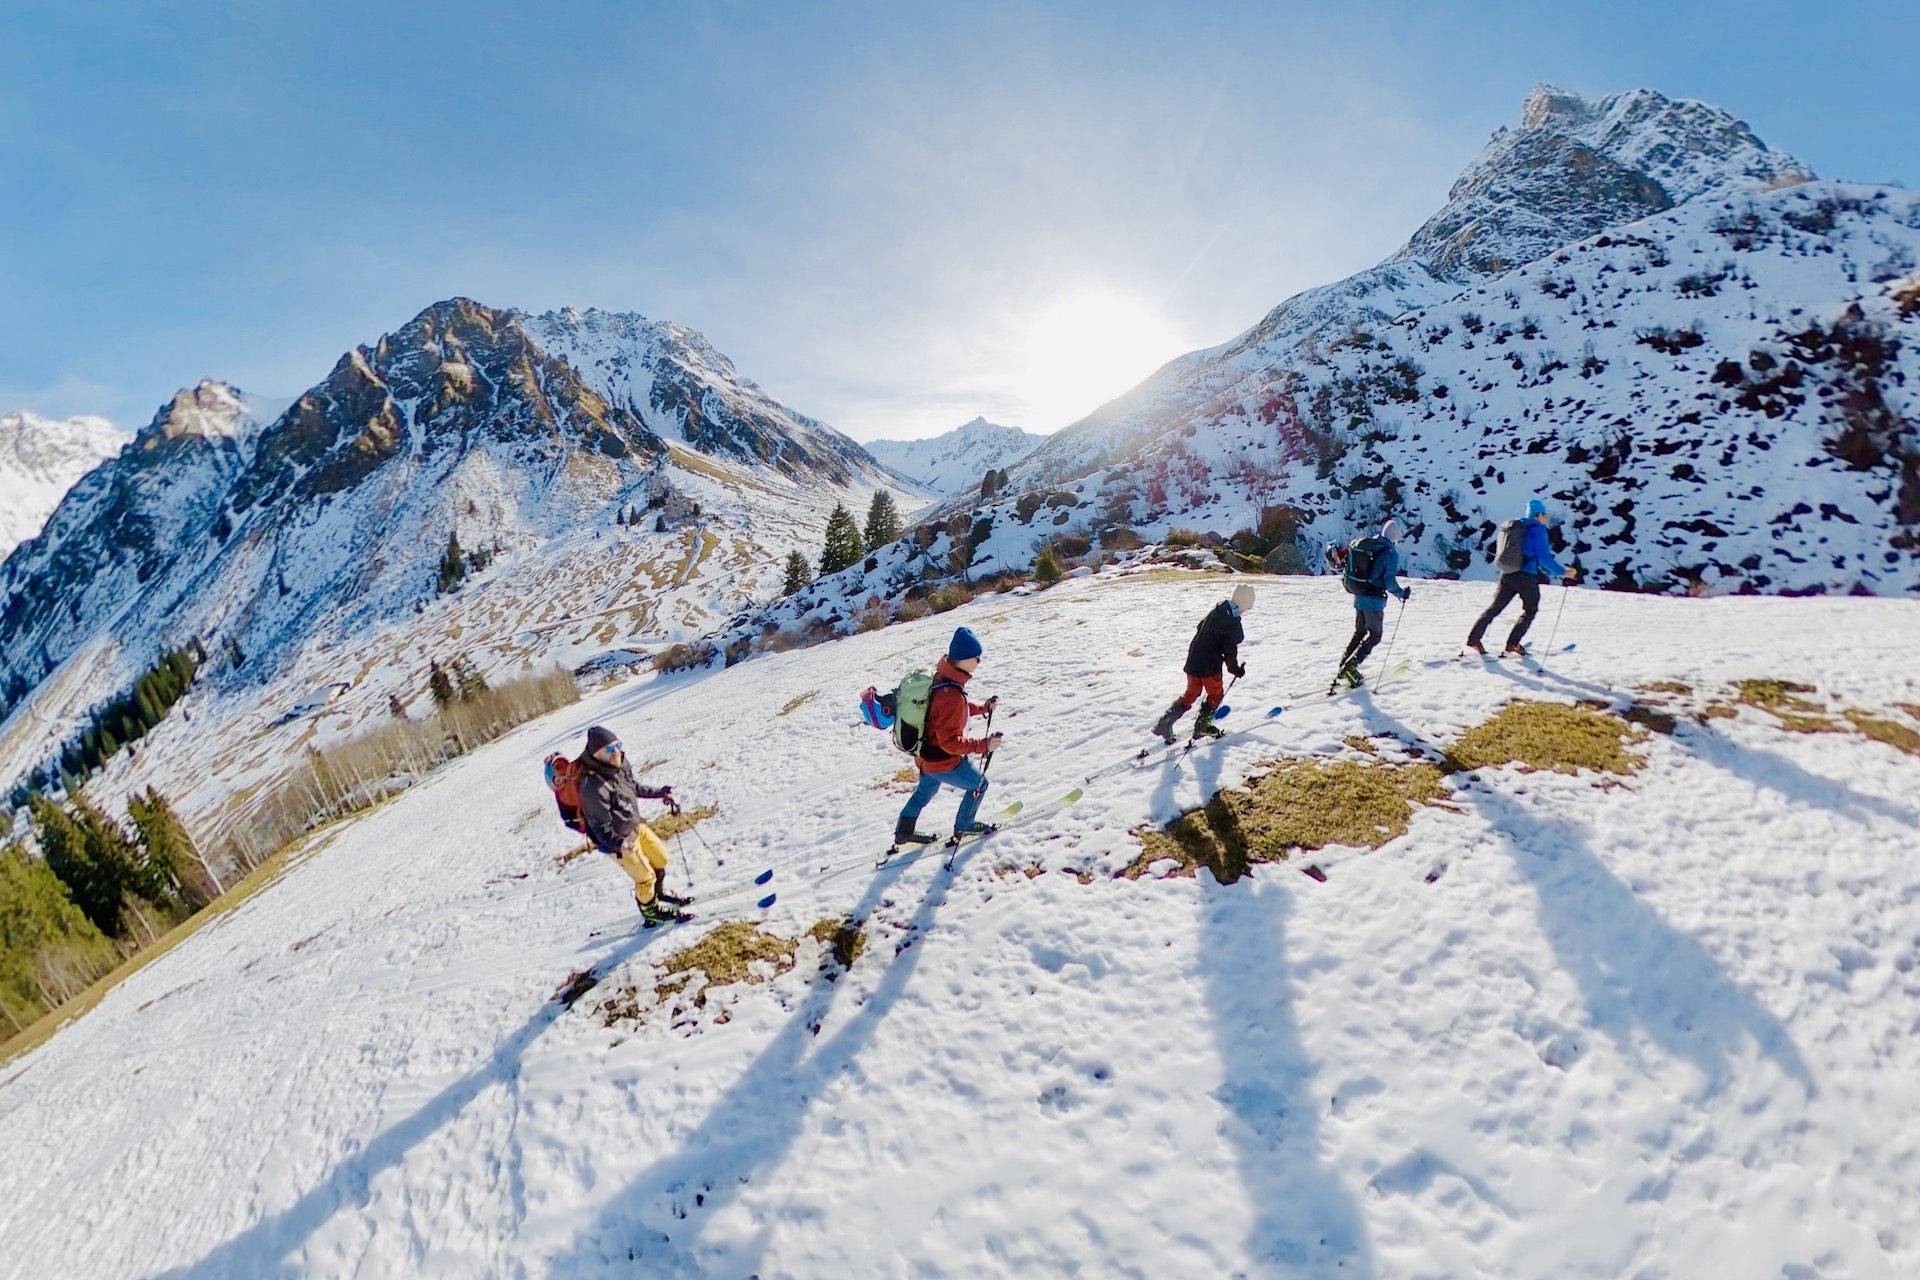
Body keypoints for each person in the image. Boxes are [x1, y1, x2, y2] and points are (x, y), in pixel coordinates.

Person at [894, 627, 1004, 848]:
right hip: (943, 761)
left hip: (925, 756)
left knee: (924, 792)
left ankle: (903, 832)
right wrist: (983, 745)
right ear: (964, 659)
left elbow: (949, 712)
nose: (978, 662)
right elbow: (950, 742)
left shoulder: (941, 679)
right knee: (979, 785)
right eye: (977, 658)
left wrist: (983, 708)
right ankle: (965, 824)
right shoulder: (951, 694)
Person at [570, 725, 689, 925]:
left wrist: (660, 793)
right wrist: (620, 843)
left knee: (661, 859)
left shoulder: (620, 764)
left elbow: (632, 787)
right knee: (645, 877)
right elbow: (599, 827)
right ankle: (650, 911)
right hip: (618, 841)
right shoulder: (593, 787)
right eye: (609, 749)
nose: (616, 752)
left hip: (634, 827)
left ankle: (656, 895)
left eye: (617, 745)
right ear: (596, 753)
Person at [1466, 498, 1575, 657]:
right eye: (1545, 514)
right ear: (1537, 515)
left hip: (1508, 572)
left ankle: (1474, 639)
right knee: (1530, 609)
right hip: (1526, 576)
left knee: (1495, 608)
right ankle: (1513, 644)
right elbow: (1543, 557)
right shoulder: (1538, 530)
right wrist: (1563, 572)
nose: (1547, 517)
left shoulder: (1515, 526)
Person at [1152, 584, 1254, 744]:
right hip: (1209, 667)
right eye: (1249, 606)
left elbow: (1200, 626)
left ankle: (1165, 723)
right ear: (1244, 603)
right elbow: (1230, 651)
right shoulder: (1232, 624)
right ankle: (1203, 726)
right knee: (1215, 694)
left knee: (1191, 693)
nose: (1248, 609)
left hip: (1193, 661)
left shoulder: (1217, 611)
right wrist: (1235, 670)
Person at [1337, 519, 1411, 688]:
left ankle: (1344, 665)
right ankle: (1351, 667)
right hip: (1373, 601)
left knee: (1360, 632)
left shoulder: (1371, 545)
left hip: (1359, 595)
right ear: (1395, 538)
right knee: (1375, 635)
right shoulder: (1389, 553)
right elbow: (1388, 580)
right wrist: (1401, 593)